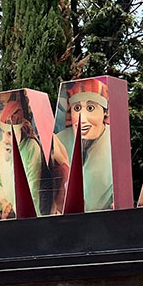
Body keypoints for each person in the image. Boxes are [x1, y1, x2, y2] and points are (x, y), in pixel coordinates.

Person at [54, 79, 115, 212]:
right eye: (77, 108)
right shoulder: (59, 140)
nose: (83, 118)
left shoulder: (114, 140)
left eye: (90, 108)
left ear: (105, 111)